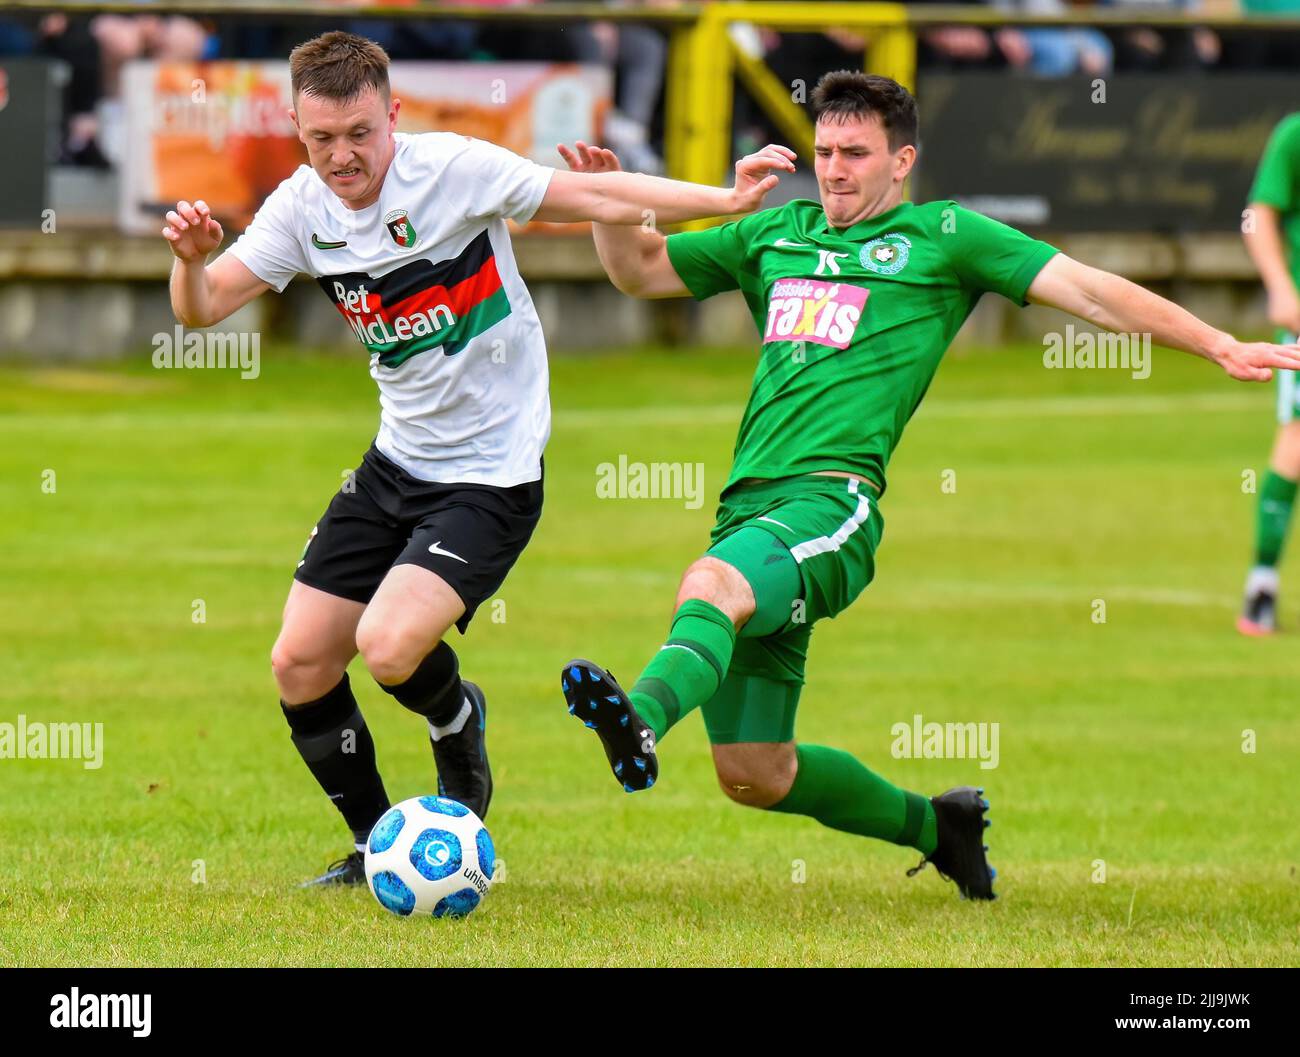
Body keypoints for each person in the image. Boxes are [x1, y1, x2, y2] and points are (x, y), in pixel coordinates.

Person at [558, 71, 1300, 901]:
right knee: (753, 772)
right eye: (825, 151)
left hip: (831, 505)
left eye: (856, 154)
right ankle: (939, 826)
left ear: (901, 160)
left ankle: (641, 722)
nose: (834, 170)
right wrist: (607, 203)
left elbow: (1092, 290)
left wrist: (1220, 344)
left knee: (710, 585)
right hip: (749, 511)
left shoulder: (945, 237)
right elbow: (641, 270)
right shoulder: (777, 234)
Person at [161, 30, 794, 886]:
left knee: (387, 649)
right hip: (394, 464)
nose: (342, 156)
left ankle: (459, 722)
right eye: (321, 139)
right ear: (297, 129)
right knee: (299, 662)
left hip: (491, 475)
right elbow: (202, 310)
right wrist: (189, 263)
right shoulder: (300, 207)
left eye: (359, 133)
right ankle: (373, 844)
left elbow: (595, 193)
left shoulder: (452, 170)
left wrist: (725, 194)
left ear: (393, 114)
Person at [1239, 113, 1300, 635]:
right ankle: (1262, 583)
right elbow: (1259, 215)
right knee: (1296, 447)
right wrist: (1281, 288)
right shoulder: (1294, 134)